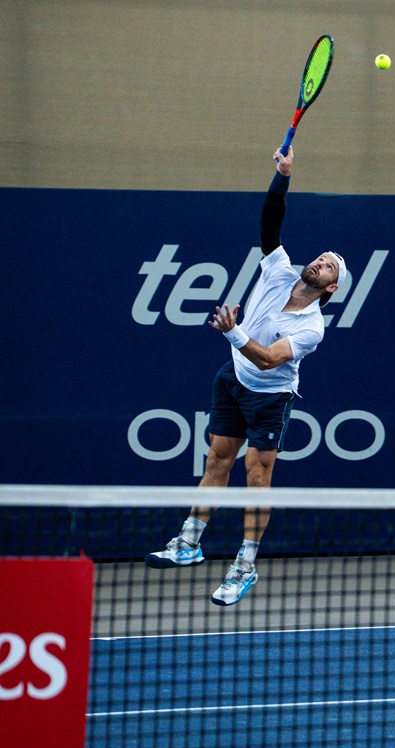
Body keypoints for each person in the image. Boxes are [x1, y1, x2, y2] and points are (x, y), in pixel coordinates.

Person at [145, 145, 348, 607]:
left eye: (329, 266)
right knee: (217, 460)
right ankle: (189, 542)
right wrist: (283, 176)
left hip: (270, 397)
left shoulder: (312, 327)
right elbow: (269, 224)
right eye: (320, 257)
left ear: (331, 287)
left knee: (257, 475)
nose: (320, 261)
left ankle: (245, 565)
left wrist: (234, 332)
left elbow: (269, 360)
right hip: (232, 380)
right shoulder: (278, 270)